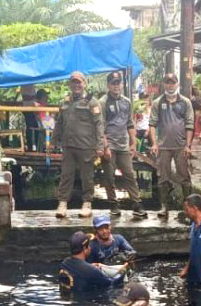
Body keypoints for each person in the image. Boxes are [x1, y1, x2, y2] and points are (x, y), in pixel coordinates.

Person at [53, 71, 105, 219]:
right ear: (70, 84)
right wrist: (53, 141)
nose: (76, 85)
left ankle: (87, 203)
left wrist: (100, 145)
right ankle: (62, 204)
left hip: (86, 146)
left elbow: (99, 125)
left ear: (84, 84)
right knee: (66, 175)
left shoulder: (92, 102)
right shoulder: (65, 102)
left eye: (79, 82)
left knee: (87, 176)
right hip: (68, 146)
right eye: (74, 82)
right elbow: (59, 123)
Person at [99, 72, 145, 219]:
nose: (116, 86)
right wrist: (105, 146)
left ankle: (136, 203)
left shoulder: (127, 102)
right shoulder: (103, 102)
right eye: (113, 83)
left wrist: (133, 143)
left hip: (123, 144)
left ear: (122, 84)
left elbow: (130, 123)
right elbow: (100, 126)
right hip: (109, 144)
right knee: (109, 176)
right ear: (108, 85)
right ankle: (113, 204)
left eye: (118, 83)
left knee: (129, 174)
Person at [151, 73, 195, 218]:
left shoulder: (185, 102)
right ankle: (164, 207)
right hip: (163, 146)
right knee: (163, 177)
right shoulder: (157, 102)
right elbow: (152, 124)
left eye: (173, 82)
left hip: (181, 145)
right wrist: (154, 143)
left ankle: (188, 206)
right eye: (168, 83)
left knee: (184, 177)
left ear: (177, 84)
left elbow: (190, 124)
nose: (170, 85)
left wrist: (188, 145)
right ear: (164, 84)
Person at [59, 231, 124, 293]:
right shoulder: (92, 271)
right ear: (85, 249)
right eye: (89, 245)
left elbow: (79, 271)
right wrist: (124, 272)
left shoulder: (64, 263)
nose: (90, 248)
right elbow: (112, 284)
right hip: (86, 302)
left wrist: (89, 266)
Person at [133, 89, 150, 154]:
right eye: (144, 99)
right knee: (138, 144)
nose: (146, 101)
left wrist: (148, 130)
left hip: (147, 129)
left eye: (147, 100)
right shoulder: (137, 109)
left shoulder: (150, 109)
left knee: (145, 145)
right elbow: (134, 120)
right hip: (138, 129)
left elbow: (152, 121)